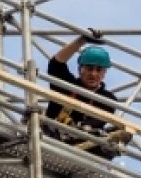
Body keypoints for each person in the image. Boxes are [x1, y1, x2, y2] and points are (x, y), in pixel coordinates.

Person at [44, 30, 130, 158]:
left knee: (116, 135)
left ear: (104, 73)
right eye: (89, 68)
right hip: (52, 140)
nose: (93, 74)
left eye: (98, 70)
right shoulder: (67, 86)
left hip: (82, 149)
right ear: (80, 69)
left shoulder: (107, 100)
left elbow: (93, 124)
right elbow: (56, 64)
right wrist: (81, 40)